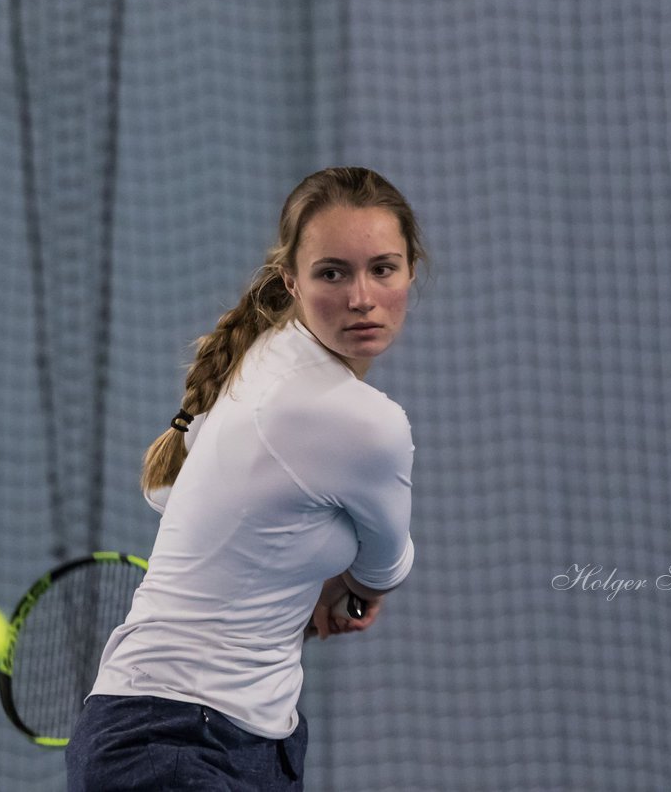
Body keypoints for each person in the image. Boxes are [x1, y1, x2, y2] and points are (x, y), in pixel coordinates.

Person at [65, 166, 427, 791]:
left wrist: (315, 585)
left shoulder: (262, 353)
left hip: (247, 738)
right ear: (292, 279)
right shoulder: (366, 423)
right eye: (332, 272)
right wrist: (352, 593)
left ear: (410, 272)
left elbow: (189, 502)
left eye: (383, 269)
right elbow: (382, 571)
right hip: (174, 742)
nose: (361, 297)